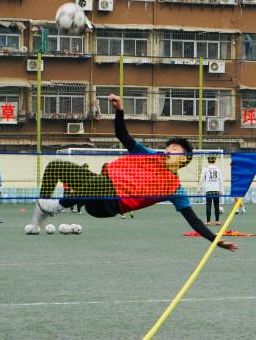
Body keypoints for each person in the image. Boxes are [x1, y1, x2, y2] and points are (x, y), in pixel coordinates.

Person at [30, 95, 236, 250]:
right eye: (168, 147)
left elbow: (194, 221)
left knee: (100, 183)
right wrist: (119, 110)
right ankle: (39, 215)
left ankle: (56, 207)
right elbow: (123, 136)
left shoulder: (175, 189)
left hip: (108, 205)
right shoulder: (150, 155)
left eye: (174, 149)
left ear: (184, 158)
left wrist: (215, 240)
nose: (168, 150)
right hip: (99, 185)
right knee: (56, 166)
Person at [200, 155, 224, 226]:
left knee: (208, 205)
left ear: (208, 161)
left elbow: (201, 178)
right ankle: (217, 221)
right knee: (216, 205)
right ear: (215, 160)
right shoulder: (218, 169)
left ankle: (208, 221)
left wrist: (199, 187)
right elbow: (221, 181)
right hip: (216, 190)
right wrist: (221, 190)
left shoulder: (205, 169)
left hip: (208, 189)